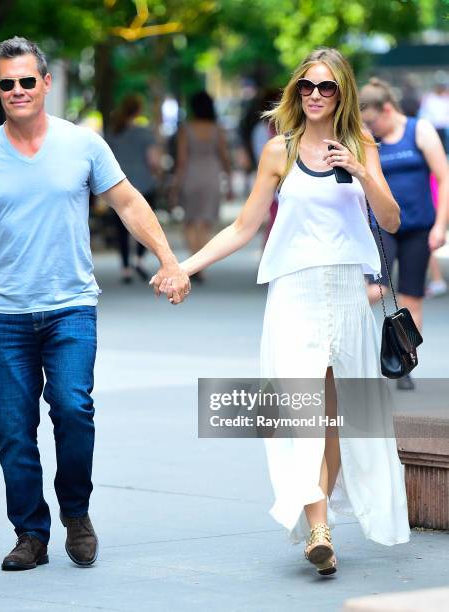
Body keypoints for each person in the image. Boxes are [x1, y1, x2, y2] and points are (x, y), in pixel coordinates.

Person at [0, 36, 189, 572]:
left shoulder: (83, 144)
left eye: (29, 80)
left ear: (45, 84)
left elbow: (127, 202)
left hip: (71, 305)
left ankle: (76, 512)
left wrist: (168, 259)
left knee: (74, 409)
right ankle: (30, 532)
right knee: (13, 429)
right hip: (3, 312)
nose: (19, 90)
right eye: (8, 83)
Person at [154, 47, 410, 576]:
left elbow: (391, 219)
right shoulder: (280, 150)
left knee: (339, 416)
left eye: (327, 88)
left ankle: (323, 517)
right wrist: (184, 266)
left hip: (346, 291)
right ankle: (318, 526)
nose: (315, 95)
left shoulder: (361, 145)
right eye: (307, 87)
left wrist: (361, 171)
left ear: (343, 93)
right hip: (293, 293)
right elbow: (244, 227)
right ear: (297, 92)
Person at [360, 78, 448, 391]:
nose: (371, 128)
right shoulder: (369, 140)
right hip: (382, 226)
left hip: (419, 227)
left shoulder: (419, 130)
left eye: (372, 121)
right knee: (377, 289)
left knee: (411, 298)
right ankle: (347, 346)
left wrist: (440, 226)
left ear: (387, 109)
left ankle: (405, 361)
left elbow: (444, 178)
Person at [173, 91, 232, 281]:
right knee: (205, 222)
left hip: (191, 175)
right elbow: (224, 157)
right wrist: (228, 182)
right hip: (211, 176)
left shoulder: (186, 128)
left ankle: (193, 262)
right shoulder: (217, 128)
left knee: (190, 221)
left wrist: (176, 185)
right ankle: (200, 265)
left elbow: (182, 159)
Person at [106, 94, 161, 283]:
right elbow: (153, 160)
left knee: (121, 228)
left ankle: (125, 268)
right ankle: (139, 258)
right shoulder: (145, 133)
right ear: (138, 110)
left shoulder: (113, 132)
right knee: (146, 222)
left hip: (117, 186)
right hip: (144, 184)